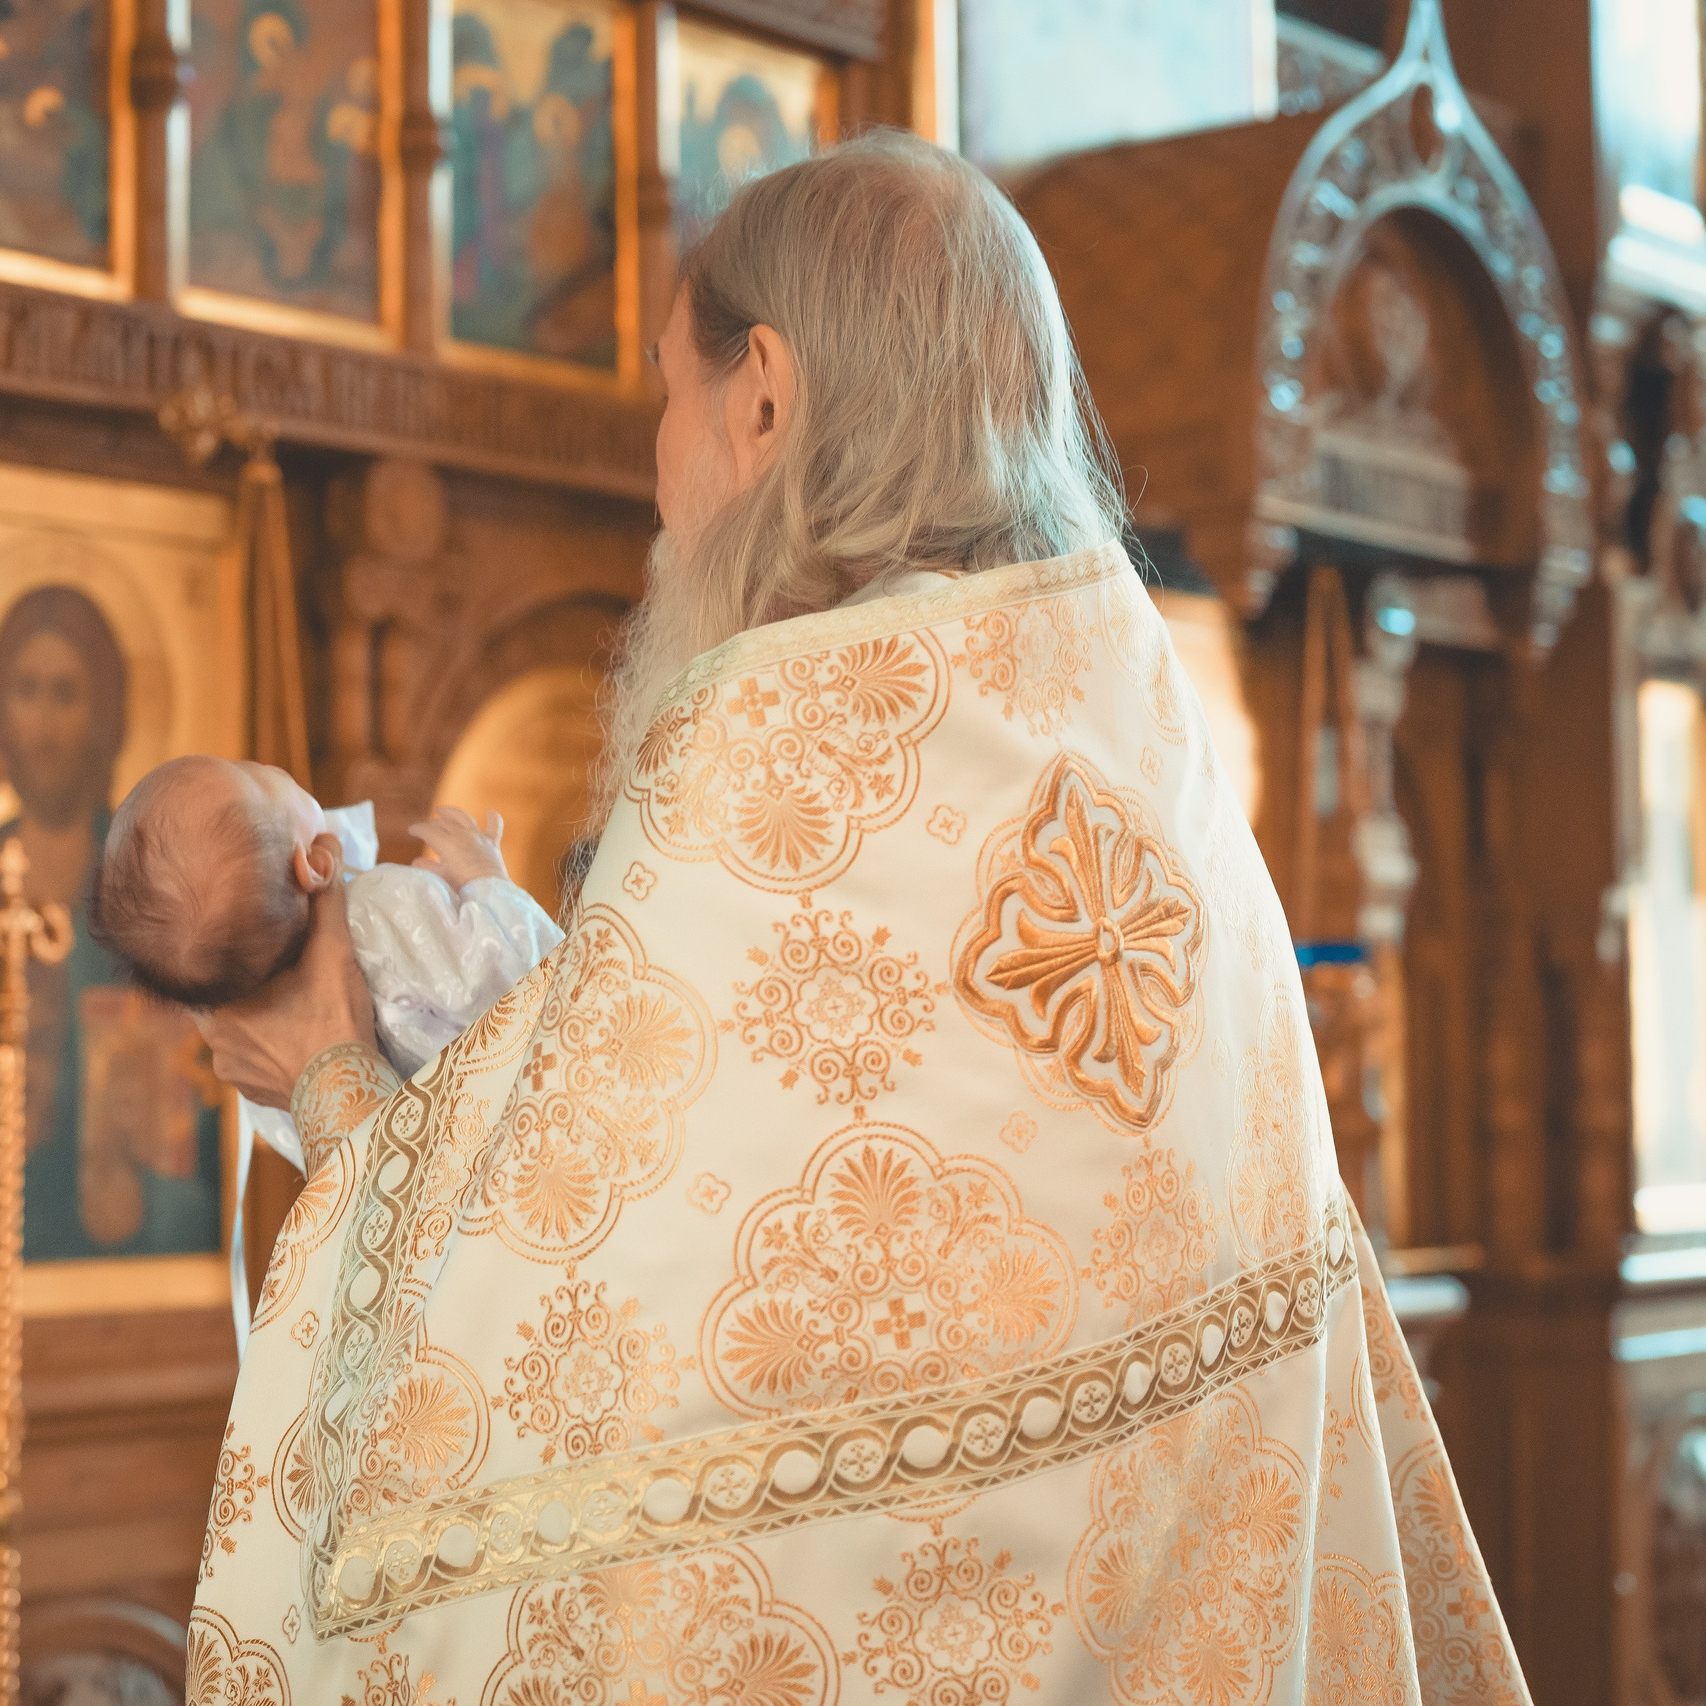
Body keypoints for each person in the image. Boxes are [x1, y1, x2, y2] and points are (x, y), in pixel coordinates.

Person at [188, 130, 1530, 1703]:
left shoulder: (785, 751)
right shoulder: (1151, 747)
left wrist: (336, 1088)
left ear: (761, 392)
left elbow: (574, 1365)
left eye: (666, 402)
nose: (663, 470)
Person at [0, 585, 224, 1269]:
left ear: (106, 715)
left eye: (67, 695)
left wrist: (161, 1138)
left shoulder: (151, 890)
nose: (44, 724)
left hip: (128, 1248)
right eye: (25, 691)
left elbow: (208, 1098)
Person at [91, 755, 563, 1169]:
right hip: (552, 1096)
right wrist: (486, 879)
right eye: (254, 773)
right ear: (314, 862)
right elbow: (526, 982)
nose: (269, 766)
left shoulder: (260, 1073)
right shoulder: (381, 909)